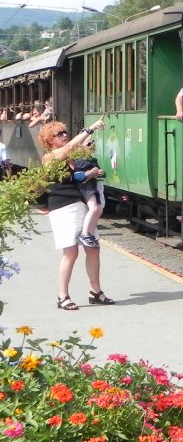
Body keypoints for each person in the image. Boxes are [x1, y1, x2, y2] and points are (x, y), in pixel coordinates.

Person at [39, 118, 115, 310]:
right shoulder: (50, 157)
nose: (65, 135)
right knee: (71, 252)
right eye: (59, 134)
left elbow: (79, 150)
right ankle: (62, 295)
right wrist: (89, 129)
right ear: (49, 140)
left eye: (65, 132)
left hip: (81, 205)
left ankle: (95, 291)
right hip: (63, 206)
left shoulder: (73, 156)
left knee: (93, 248)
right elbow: (72, 145)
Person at [71, 146, 105, 247]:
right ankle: (85, 233)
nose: (92, 146)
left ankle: (90, 234)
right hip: (86, 186)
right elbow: (76, 176)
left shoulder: (92, 160)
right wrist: (90, 173)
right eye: (89, 144)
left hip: (93, 186)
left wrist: (100, 172)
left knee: (99, 209)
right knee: (94, 208)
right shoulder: (78, 161)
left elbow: (102, 173)